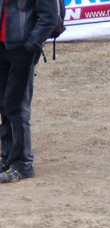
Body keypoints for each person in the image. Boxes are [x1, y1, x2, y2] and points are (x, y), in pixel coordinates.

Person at [0, 0, 58, 184]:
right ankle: (7, 158)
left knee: (16, 107)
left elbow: (49, 17)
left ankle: (22, 164)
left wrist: (31, 45)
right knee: (4, 105)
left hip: (22, 50)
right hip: (2, 47)